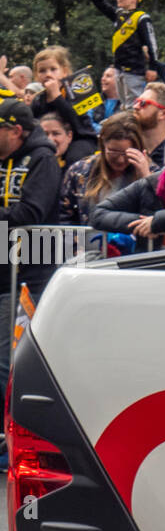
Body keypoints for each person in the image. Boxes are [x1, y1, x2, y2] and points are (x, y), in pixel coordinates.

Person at [0, 97, 62, 403]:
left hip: (29, 274)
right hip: (3, 268)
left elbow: (30, 213)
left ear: (16, 131)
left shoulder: (43, 159)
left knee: (11, 360)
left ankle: (10, 434)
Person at [79, 0, 160, 105]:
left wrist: (153, 67)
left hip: (134, 71)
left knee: (135, 105)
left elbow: (152, 44)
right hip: (119, 69)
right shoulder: (119, 15)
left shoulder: (141, 18)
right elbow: (101, 4)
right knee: (124, 105)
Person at [60, 112, 151, 225]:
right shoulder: (79, 171)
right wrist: (75, 242)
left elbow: (156, 216)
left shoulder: (152, 172)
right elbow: (64, 217)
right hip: (86, 241)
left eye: (127, 154)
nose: (120, 160)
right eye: (113, 152)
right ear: (103, 144)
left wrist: (146, 178)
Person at [29, 46, 97, 161]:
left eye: (53, 69)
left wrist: (57, 97)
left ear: (64, 72)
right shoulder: (38, 100)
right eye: (42, 71)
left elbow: (78, 124)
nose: (48, 74)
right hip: (49, 139)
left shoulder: (76, 92)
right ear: (36, 76)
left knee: (75, 155)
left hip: (79, 138)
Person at [130, 82, 165, 164]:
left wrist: (147, 175)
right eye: (136, 101)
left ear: (163, 113)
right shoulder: (132, 148)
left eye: (143, 103)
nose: (135, 107)